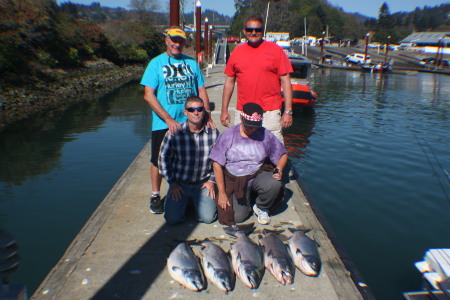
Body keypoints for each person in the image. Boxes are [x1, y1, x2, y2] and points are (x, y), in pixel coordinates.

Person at [141, 26, 215, 214]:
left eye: (180, 41)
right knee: (158, 159)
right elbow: (148, 95)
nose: (177, 44)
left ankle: (186, 190)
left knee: (192, 155)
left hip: (191, 120)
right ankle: (156, 194)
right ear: (166, 40)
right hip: (164, 122)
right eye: (173, 40)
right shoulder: (155, 64)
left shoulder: (191, 63)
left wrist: (206, 115)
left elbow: (201, 89)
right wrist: (167, 119)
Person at [210, 103, 288, 225]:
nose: (252, 129)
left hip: (256, 174)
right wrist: (222, 193)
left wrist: (279, 169)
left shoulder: (265, 134)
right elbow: (216, 165)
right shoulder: (228, 134)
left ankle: (262, 207)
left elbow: (283, 154)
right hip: (234, 178)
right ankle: (247, 200)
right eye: (248, 126)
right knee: (237, 217)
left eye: (255, 127)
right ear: (241, 118)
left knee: (274, 184)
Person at [221, 15, 294, 143]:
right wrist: (224, 110)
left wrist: (288, 111)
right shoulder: (237, 52)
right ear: (244, 31)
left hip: (270, 112)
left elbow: (286, 82)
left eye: (257, 30)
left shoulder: (276, 51)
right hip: (243, 112)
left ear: (262, 31)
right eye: (249, 29)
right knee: (242, 150)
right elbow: (229, 82)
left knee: (275, 153)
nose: (253, 32)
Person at [158, 96, 219, 225]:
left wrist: (211, 181)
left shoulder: (213, 133)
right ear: (185, 112)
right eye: (191, 110)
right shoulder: (173, 133)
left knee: (208, 218)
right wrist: (173, 183)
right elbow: (163, 159)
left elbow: (218, 159)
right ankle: (185, 202)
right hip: (180, 184)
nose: (196, 112)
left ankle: (194, 202)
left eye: (199, 109)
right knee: (172, 220)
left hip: (202, 183)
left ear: (204, 111)